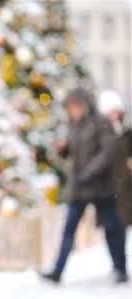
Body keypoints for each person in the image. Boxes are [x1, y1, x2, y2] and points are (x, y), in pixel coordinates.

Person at [41, 88, 128, 284]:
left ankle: (120, 269)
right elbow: (72, 153)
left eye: (75, 106)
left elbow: (107, 154)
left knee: (112, 228)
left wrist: (89, 173)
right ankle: (57, 271)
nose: (73, 111)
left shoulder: (101, 122)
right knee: (69, 228)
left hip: (101, 187)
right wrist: (63, 149)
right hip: (79, 187)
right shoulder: (73, 124)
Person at [99, 90, 132, 230]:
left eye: (116, 111)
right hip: (108, 183)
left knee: (123, 221)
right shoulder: (100, 134)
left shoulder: (126, 132)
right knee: (112, 225)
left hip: (125, 181)